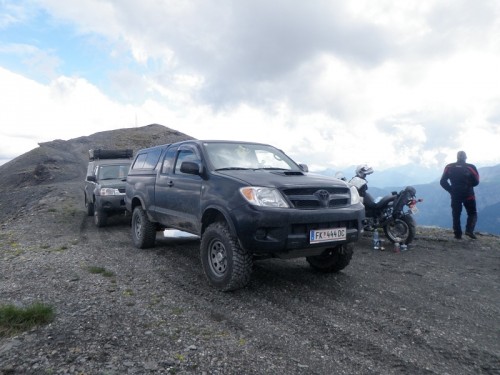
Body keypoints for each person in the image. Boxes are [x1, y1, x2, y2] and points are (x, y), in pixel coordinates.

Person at [440, 151, 480, 239]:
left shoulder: (449, 166)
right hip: (468, 194)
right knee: (472, 213)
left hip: (455, 194)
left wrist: (451, 190)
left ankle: (457, 234)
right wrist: (468, 185)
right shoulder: (470, 167)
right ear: (466, 157)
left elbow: (442, 181)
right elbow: (476, 181)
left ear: (457, 157)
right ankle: (469, 230)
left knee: (456, 213)